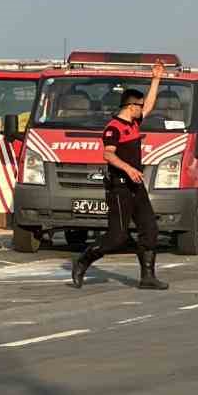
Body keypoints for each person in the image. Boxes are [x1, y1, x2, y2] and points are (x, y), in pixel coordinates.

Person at [72, 62, 170, 290]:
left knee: (150, 230)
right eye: (140, 106)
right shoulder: (113, 128)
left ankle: (147, 278)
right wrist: (128, 169)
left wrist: (156, 79)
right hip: (120, 187)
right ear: (130, 106)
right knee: (117, 237)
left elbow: (151, 104)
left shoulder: (135, 121)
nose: (143, 109)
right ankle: (83, 260)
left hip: (136, 186)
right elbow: (108, 155)